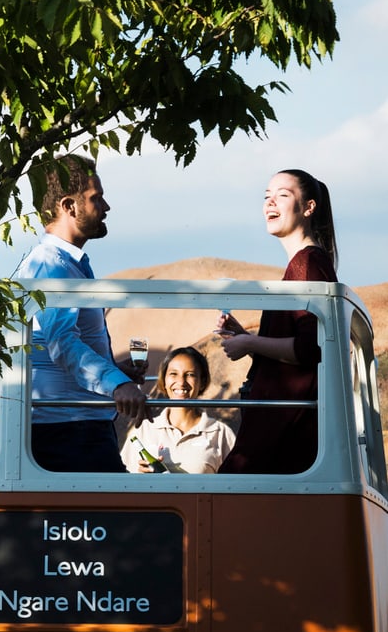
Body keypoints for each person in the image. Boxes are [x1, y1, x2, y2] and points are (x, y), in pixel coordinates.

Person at [17, 154, 147, 473]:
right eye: (96, 198)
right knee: (120, 520)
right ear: (69, 206)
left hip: (77, 426)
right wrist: (117, 383)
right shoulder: (51, 265)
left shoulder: (67, 262)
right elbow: (62, 344)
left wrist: (114, 369)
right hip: (70, 431)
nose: (106, 207)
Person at [217, 169, 338, 475]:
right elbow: (297, 350)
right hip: (281, 418)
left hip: (285, 423)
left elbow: (313, 348)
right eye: (267, 196)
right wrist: (246, 336)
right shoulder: (302, 264)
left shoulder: (306, 264)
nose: (270, 203)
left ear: (308, 207)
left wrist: (249, 342)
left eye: (282, 195)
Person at [123, 346, 235, 474]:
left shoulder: (220, 433)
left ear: (202, 382)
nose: (181, 382)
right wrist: (140, 477)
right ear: (164, 380)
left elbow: (234, 486)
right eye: (173, 374)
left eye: (190, 374)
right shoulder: (144, 429)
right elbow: (123, 483)